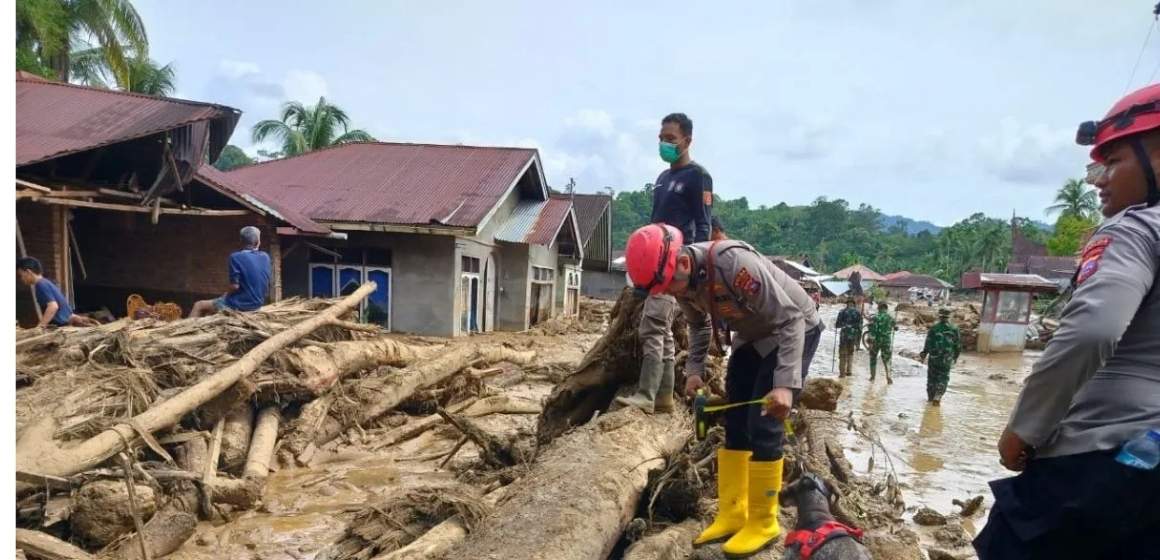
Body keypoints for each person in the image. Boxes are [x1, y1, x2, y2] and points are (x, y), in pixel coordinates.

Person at [974, 83, 1160, 559]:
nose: (1099, 180)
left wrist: (1024, 430)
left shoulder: (1136, 228)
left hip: (1104, 456)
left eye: (1113, 161)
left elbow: (1091, 332)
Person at [624, 223, 824, 557]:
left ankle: (763, 521)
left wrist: (785, 386)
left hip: (793, 329)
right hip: (753, 334)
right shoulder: (680, 281)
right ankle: (733, 513)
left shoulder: (733, 265)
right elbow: (699, 325)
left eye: (669, 286)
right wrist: (694, 371)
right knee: (735, 420)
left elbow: (791, 319)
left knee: (764, 422)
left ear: (683, 263)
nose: (671, 294)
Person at [616, 113, 713, 414]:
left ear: (687, 140)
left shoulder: (698, 176)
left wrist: (692, 267)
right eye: (661, 138)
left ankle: (647, 395)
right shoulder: (662, 179)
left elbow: (704, 225)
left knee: (653, 326)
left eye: (670, 139)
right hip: (654, 265)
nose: (664, 144)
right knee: (664, 332)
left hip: (675, 266)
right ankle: (664, 398)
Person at [190, 226, 272, 318]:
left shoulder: (235, 257)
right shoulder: (265, 257)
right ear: (258, 242)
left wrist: (224, 295)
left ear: (241, 241)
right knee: (209, 312)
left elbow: (234, 286)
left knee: (199, 305)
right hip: (257, 304)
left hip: (239, 305)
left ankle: (186, 327)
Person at [16, 257, 99, 328]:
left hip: (62, 326)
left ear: (28, 272)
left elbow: (53, 306)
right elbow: (62, 305)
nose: (21, 279)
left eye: (21, 275)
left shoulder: (41, 285)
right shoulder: (47, 282)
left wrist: (41, 326)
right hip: (66, 322)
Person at [918, 308, 959, 405]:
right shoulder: (954, 329)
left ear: (939, 316)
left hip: (934, 357)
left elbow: (928, 343)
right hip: (947, 358)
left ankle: (930, 398)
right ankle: (938, 395)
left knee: (932, 378)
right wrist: (955, 357)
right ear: (949, 316)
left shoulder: (934, 328)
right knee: (943, 377)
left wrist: (924, 354)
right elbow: (957, 345)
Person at [867, 301, 896, 384]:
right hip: (887, 341)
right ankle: (888, 376)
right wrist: (895, 327)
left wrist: (870, 342)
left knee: (873, 358)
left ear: (879, 308)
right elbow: (895, 326)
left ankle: (872, 377)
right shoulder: (890, 317)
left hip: (876, 341)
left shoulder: (875, 317)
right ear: (886, 308)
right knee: (887, 359)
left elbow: (872, 331)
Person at [834, 298, 862, 377]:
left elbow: (837, 325)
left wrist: (842, 325)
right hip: (853, 336)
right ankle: (849, 371)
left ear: (847, 303)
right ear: (854, 304)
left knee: (842, 353)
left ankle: (842, 373)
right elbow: (860, 327)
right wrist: (858, 341)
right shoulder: (858, 313)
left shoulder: (842, 312)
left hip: (844, 336)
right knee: (850, 352)